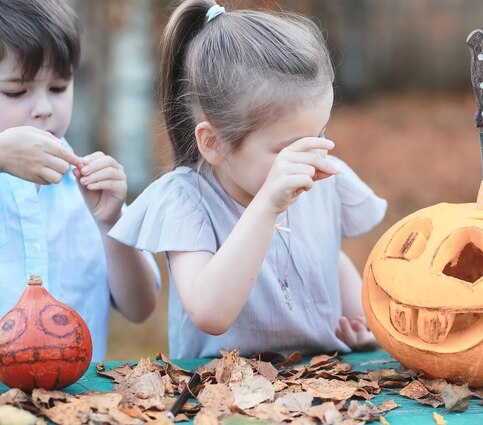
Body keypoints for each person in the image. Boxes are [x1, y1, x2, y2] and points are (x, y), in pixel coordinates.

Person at [109, 0, 386, 359]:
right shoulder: (185, 200)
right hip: (220, 394)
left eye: (320, 132)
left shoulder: (321, 180)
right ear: (214, 143)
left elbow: (326, 256)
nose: (311, 158)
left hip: (323, 384)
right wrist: (266, 207)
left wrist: (364, 326)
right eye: (287, 148)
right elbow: (210, 312)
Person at [0, 0, 160, 361]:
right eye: (14, 92)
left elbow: (140, 308)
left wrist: (111, 221)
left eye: (58, 87)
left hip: (78, 404)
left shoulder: (86, 187)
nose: (44, 108)